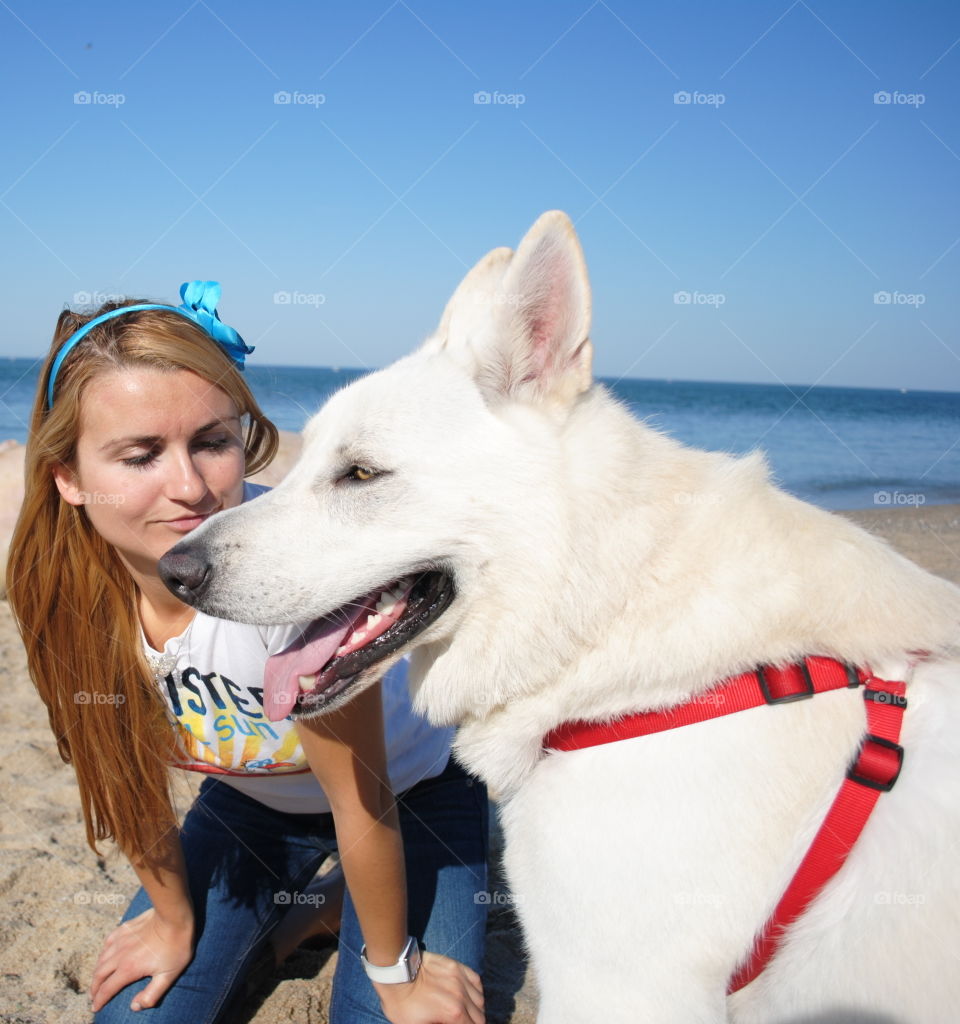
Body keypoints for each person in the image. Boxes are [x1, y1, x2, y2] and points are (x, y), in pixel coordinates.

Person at [6, 282, 488, 1024]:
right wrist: (171, 920)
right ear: (68, 477)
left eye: (212, 442)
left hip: (407, 796)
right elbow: (118, 769)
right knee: (133, 1014)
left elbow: (360, 802)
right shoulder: (62, 599)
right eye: (140, 456)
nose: (191, 488)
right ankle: (316, 904)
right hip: (254, 803)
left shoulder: (286, 578)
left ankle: (326, 909)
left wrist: (393, 973)